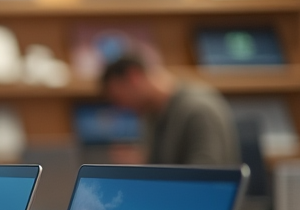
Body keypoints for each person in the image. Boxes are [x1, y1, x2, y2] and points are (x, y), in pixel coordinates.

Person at [101, 54, 240, 166]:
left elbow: (206, 179)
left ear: (134, 77)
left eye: (118, 98)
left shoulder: (199, 109)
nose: (121, 108)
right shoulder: (153, 114)